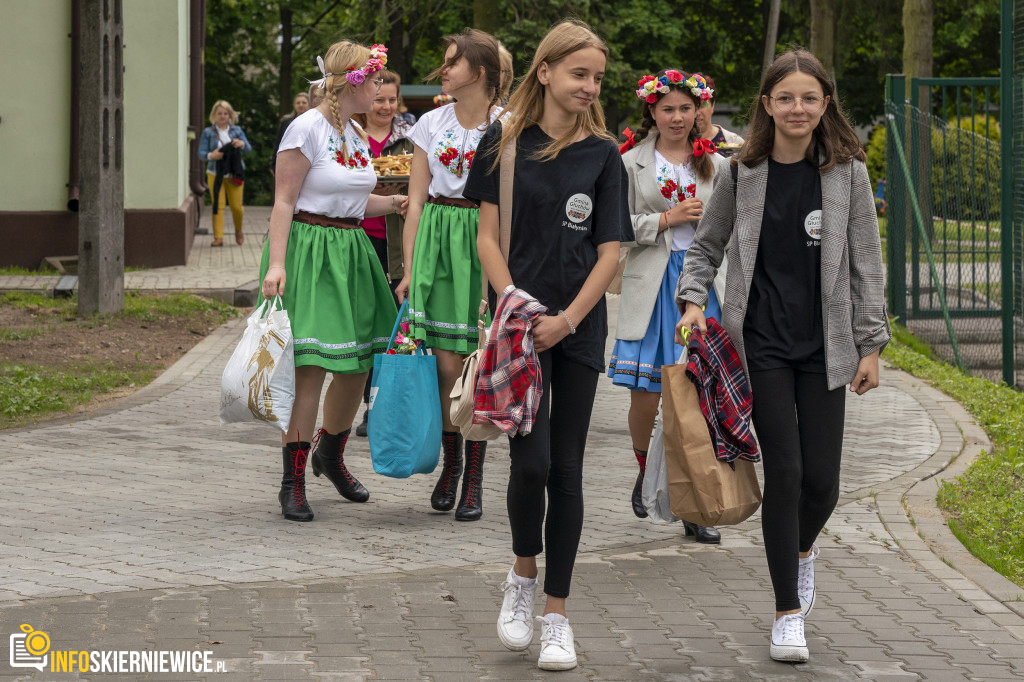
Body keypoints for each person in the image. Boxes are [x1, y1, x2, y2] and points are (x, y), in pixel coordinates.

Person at [675, 48, 890, 663]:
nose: (798, 108)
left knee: (823, 483)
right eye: (786, 97)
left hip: (828, 348)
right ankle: (786, 612)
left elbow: (865, 265)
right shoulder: (741, 171)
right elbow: (707, 246)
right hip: (761, 347)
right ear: (766, 104)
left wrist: (871, 345)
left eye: (810, 98)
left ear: (826, 106)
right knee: (787, 474)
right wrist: (693, 301)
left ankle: (800, 552)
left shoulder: (847, 174)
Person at [464, 18, 631, 671]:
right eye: (578, 74)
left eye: (596, 77)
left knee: (566, 469)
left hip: (578, 329)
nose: (589, 86)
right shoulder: (502, 143)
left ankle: (556, 615)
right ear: (546, 72)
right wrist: (515, 301)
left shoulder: (605, 155)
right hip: (517, 327)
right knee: (528, 465)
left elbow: (611, 251)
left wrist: (566, 319)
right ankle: (521, 578)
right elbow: (487, 236)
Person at [261, 40, 406, 523]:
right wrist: (276, 266)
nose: (384, 91)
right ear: (353, 82)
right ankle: (293, 481)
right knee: (313, 369)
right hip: (311, 251)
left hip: (351, 251)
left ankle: (330, 454)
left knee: (357, 365)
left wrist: (392, 204)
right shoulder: (306, 129)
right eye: (377, 81)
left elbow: (351, 198)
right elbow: (285, 200)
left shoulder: (356, 133)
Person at [608, 70, 728, 545]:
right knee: (648, 393)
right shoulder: (630, 162)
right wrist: (665, 219)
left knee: (698, 395)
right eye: (667, 109)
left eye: (685, 108)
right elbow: (615, 224)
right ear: (651, 113)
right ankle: (644, 470)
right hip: (653, 283)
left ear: (699, 110)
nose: (677, 117)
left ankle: (692, 500)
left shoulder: (720, 163)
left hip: (704, 289)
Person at [395, 28, 503, 523]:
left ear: (478, 73)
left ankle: (475, 478)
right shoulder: (429, 123)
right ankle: (451, 465)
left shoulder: (507, 125)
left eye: (452, 62)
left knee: (473, 363)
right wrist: (410, 268)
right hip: (437, 240)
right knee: (443, 365)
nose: (444, 69)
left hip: (482, 237)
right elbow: (415, 200)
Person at [352, 69, 414, 438]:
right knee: (364, 326)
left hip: (394, 245)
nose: (386, 106)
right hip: (359, 240)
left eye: (392, 99)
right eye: (379, 99)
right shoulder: (353, 137)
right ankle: (364, 402)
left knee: (393, 327)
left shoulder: (407, 140)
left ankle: (382, 405)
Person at [198, 100, 251, 246]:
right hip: (215, 173)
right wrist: (211, 156)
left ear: (230, 115)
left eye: (225, 113)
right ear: (214, 115)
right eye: (219, 113)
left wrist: (242, 144)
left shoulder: (237, 131)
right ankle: (218, 237)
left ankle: (238, 229)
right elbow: (201, 153)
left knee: (237, 207)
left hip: (235, 173)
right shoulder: (208, 132)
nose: (222, 116)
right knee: (218, 205)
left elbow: (248, 149)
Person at [692, 73, 744, 148]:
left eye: (702, 105)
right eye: (692, 106)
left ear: (713, 105)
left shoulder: (735, 142)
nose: (697, 112)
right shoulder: (676, 144)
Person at [271, 92, 311, 177]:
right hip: (288, 160)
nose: (301, 105)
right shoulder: (286, 122)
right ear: (294, 105)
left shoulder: (314, 121)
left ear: (309, 104)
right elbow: (278, 143)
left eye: (304, 102)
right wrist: (273, 164)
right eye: (298, 102)